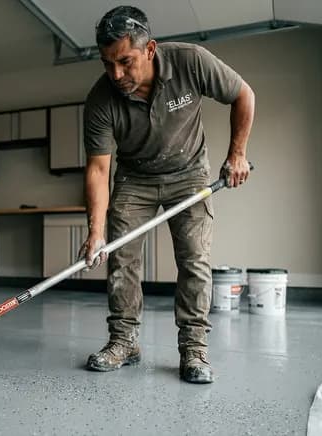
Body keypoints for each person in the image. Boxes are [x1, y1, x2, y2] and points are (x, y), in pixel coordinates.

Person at [78, 5, 254, 384]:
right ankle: (123, 341)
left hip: (189, 174)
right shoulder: (100, 99)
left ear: (151, 49)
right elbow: (98, 169)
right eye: (108, 63)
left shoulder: (191, 62)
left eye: (125, 61)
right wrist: (96, 231)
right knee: (120, 258)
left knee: (194, 260)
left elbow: (243, 95)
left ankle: (194, 349)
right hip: (134, 179)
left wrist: (236, 154)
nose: (117, 74)